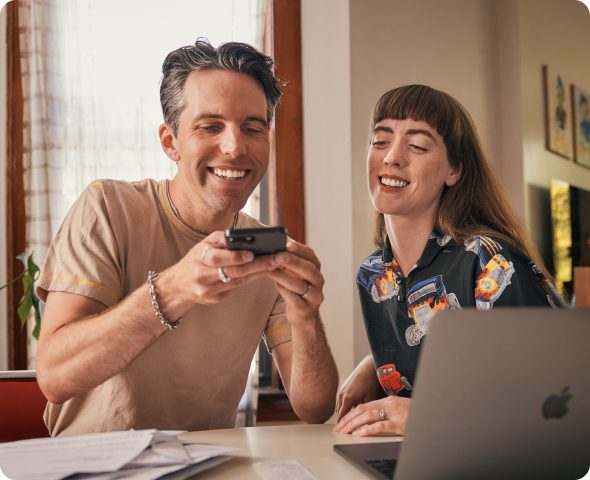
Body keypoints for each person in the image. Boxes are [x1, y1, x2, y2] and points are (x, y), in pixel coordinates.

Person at [35, 40, 338, 436]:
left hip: (206, 466)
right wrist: (175, 288)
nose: (235, 147)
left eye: (253, 128)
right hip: (91, 465)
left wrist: (307, 317)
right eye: (210, 126)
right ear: (170, 142)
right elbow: (55, 377)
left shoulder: (267, 247)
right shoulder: (107, 207)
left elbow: (314, 409)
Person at [333, 85, 565, 437]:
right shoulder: (373, 274)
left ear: (454, 170)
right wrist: (375, 364)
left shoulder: (488, 260)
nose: (392, 157)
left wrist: (426, 415)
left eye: (417, 145)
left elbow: (552, 402)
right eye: (380, 141)